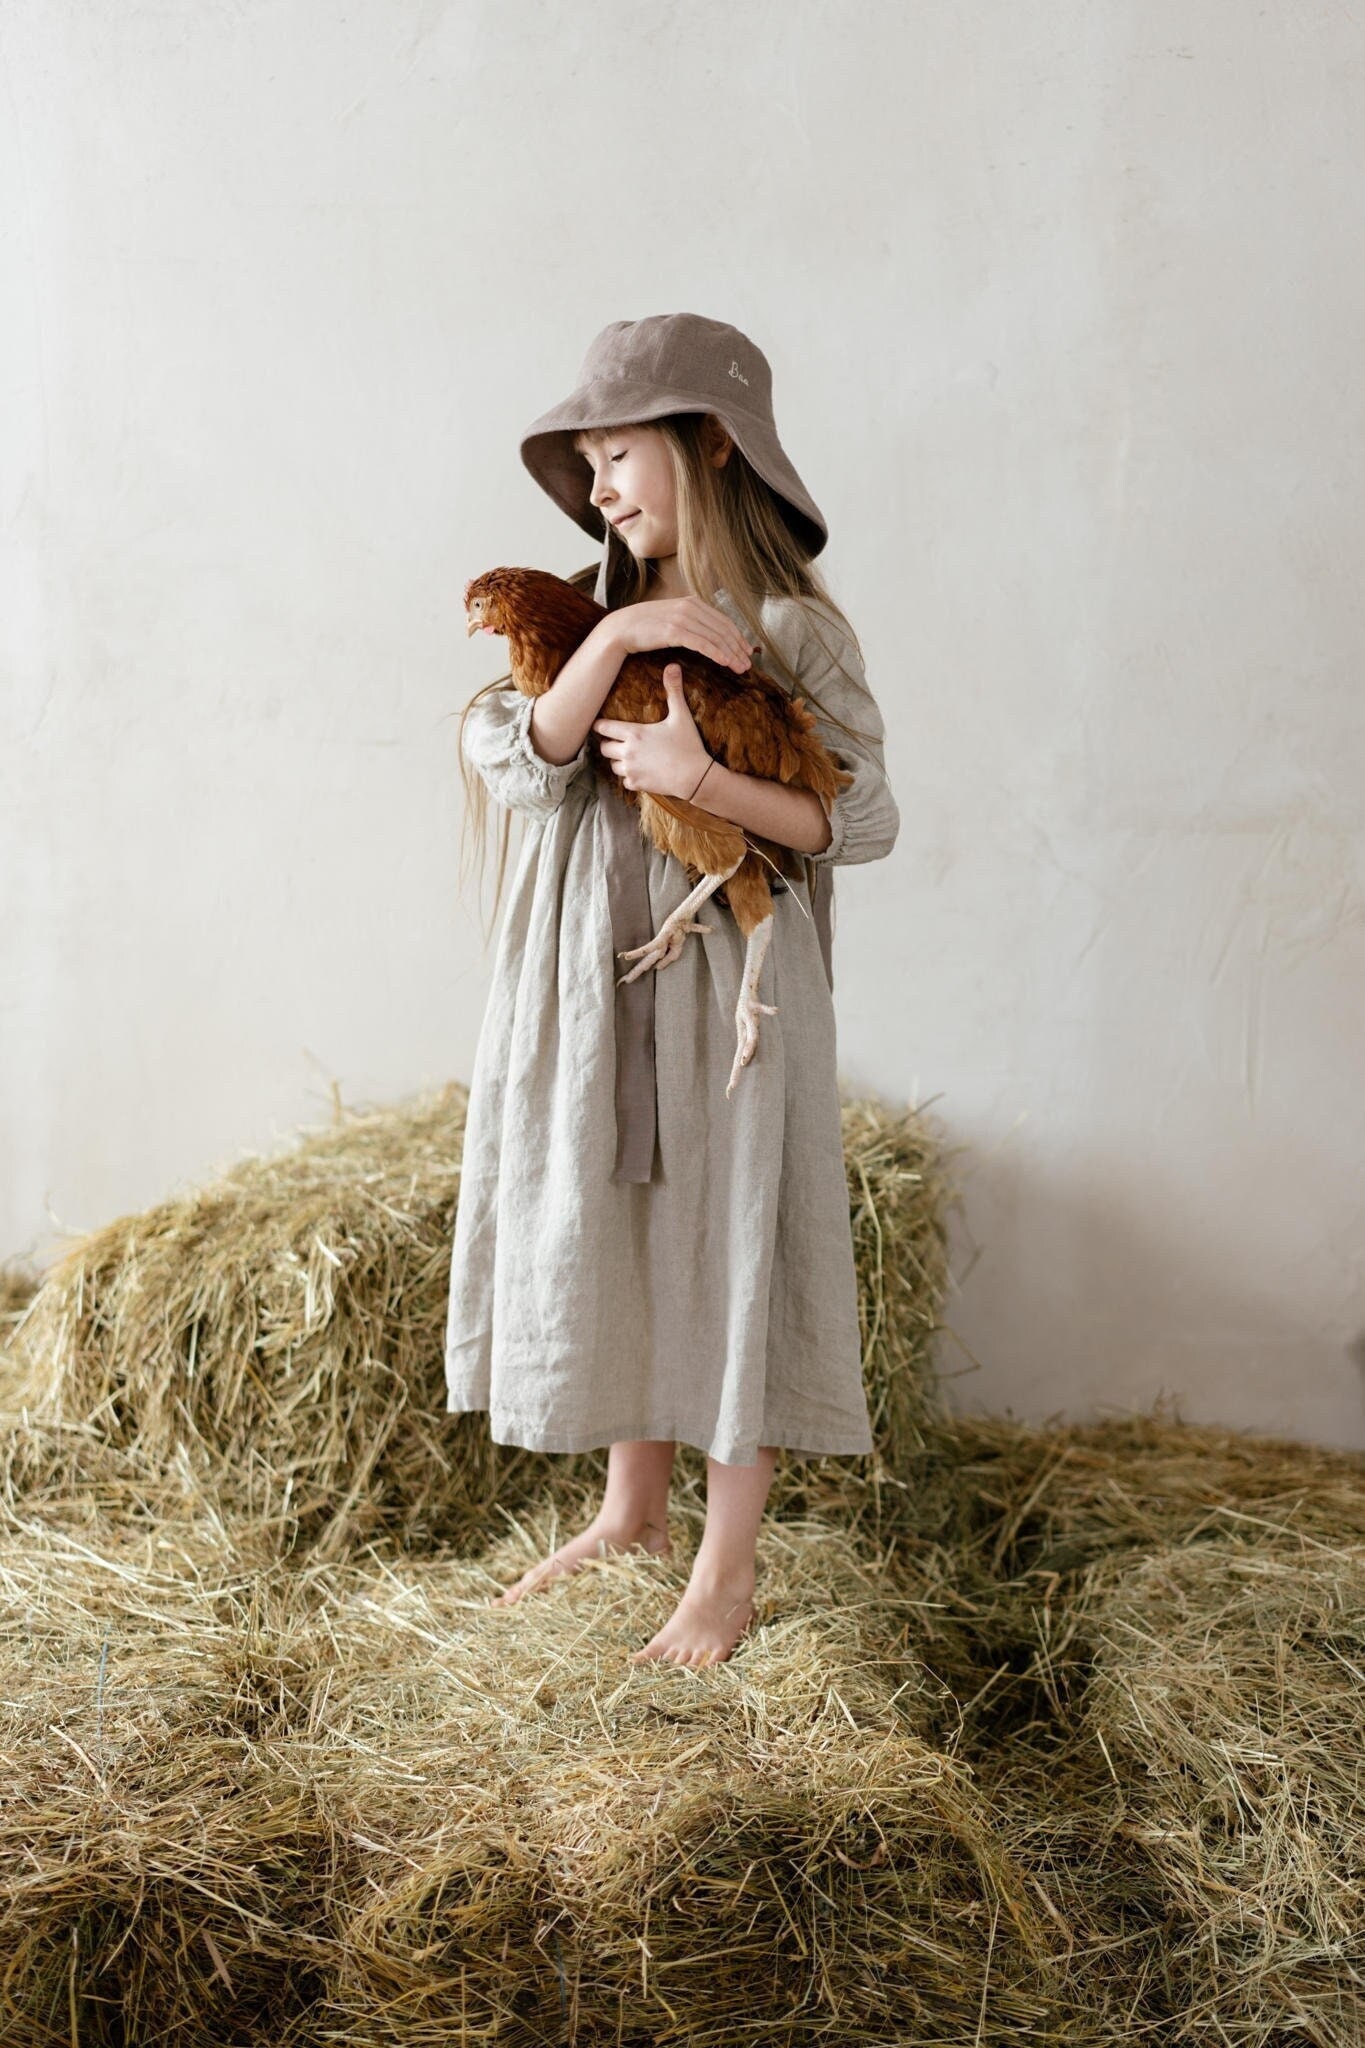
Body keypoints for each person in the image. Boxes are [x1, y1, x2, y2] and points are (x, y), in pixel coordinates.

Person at [445, 311, 900, 1667]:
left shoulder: (789, 632)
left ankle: (724, 1566)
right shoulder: (583, 632)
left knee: (730, 1226)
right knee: (619, 1217)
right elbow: (523, 765)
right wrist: (627, 628)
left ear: (706, 446)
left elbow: (860, 821)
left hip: (726, 990)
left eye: (616, 455)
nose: (598, 489)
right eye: (582, 466)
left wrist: (704, 783)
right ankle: (629, 1512)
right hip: (587, 995)